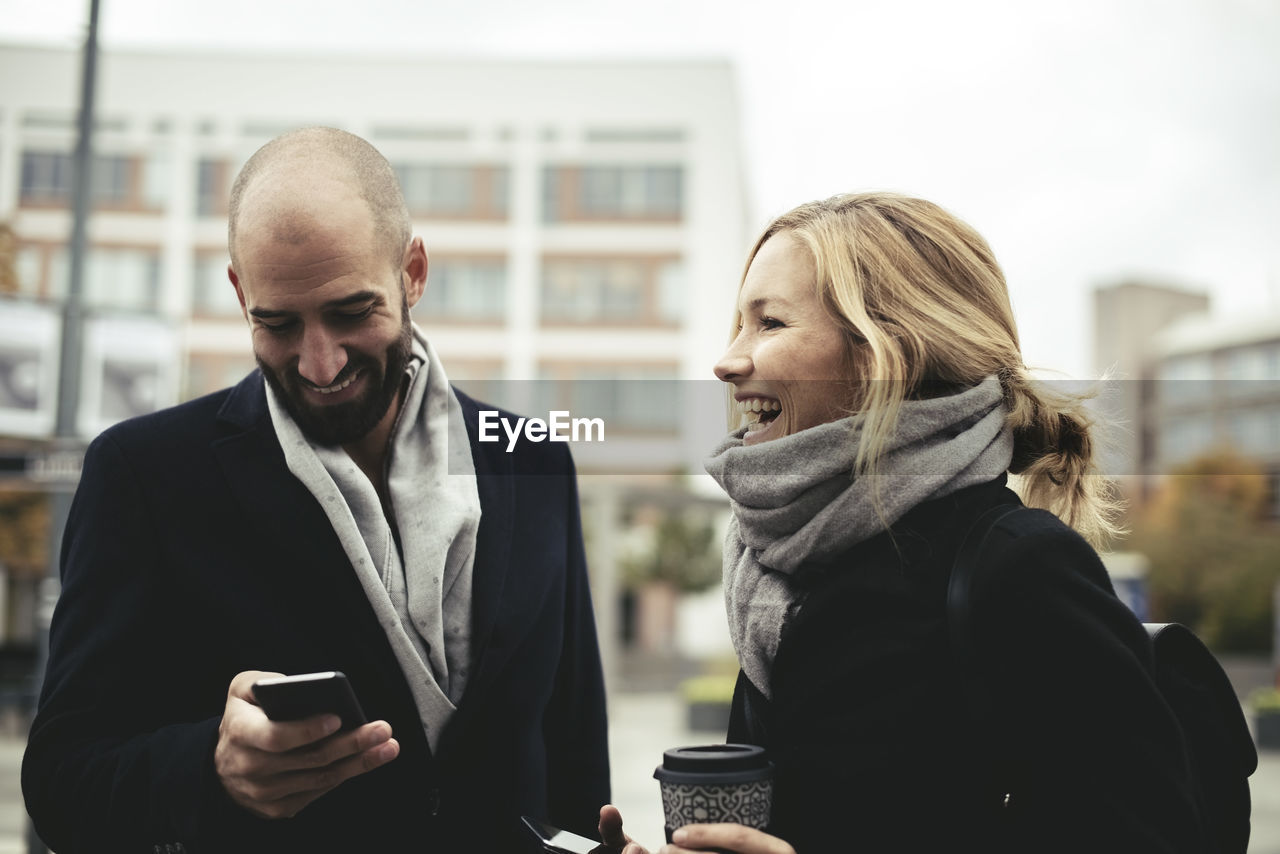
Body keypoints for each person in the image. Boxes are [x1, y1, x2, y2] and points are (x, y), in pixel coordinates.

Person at [22, 127, 610, 853]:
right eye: (277, 323)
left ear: (413, 273)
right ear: (240, 293)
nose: (320, 363)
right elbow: (60, 782)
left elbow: (576, 746)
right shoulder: (143, 475)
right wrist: (211, 768)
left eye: (350, 312)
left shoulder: (534, 460)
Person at [599, 192, 1208, 853]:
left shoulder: (1019, 568)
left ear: (885, 354)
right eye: (737, 326)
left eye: (769, 324)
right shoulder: (773, 574)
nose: (727, 361)